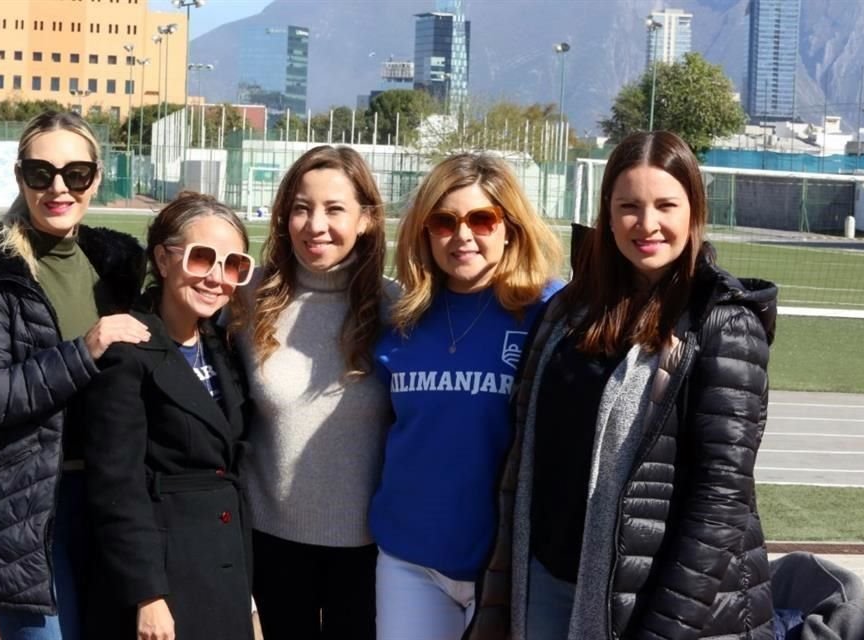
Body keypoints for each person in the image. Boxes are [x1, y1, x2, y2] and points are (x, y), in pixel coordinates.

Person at [464, 130, 778, 640]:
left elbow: (720, 501)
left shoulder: (722, 323)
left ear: (694, 212)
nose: (647, 223)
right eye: (629, 206)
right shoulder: (568, 312)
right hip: (546, 579)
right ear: (607, 214)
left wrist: (663, 629)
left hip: (653, 604)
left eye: (665, 205)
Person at [0, 110, 149, 640]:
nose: (58, 188)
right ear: (20, 178)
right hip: (22, 510)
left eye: (76, 174)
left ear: (97, 178)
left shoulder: (115, 263)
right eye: (40, 173)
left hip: (104, 501)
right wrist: (85, 349)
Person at [369, 152, 565, 640]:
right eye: (444, 221)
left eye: (481, 219)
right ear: (424, 230)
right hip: (410, 561)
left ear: (509, 227)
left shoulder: (550, 313)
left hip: (506, 565)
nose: (462, 236)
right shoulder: (401, 320)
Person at [234, 145, 396, 639]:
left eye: (334, 209)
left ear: (367, 219)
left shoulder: (400, 308)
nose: (314, 225)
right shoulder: (246, 299)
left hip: (370, 548)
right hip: (272, 540)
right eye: (301, 208)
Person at [81, 192, 255, 640]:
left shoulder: (221, 345)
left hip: (222, 568)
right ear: (162, 259)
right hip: (166, 579)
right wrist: (148, 596)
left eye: (233, 264)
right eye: (201, 258)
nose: (217, 278)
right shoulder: (128, 352)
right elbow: (116, 486)